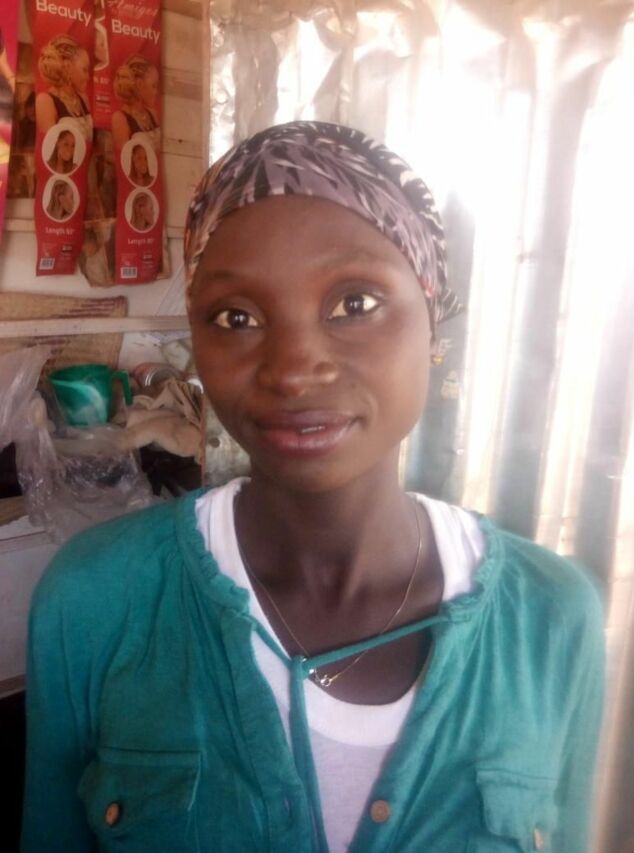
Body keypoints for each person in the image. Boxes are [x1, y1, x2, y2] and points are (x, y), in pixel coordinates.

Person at [21, 122, 604, 853]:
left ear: (432, 321)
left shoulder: (550, 617)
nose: (294, 369)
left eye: (354, 304)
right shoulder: (97, 599)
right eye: (237, 317)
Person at [36, 35, 91, 140]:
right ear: (68, 67)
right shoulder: (45, 101)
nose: (88, 77)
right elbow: (49, 146)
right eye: (84, 70)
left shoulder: (83, 99)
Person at [111, 55, 160, 151]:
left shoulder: (152, 113)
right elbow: (123, 157)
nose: (156, 92)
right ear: (139, 85)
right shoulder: (120, 119)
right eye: (154, 86)